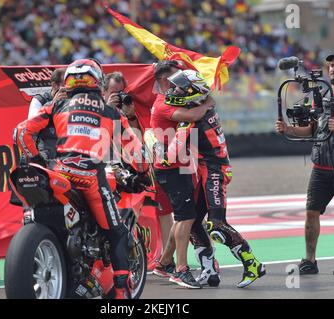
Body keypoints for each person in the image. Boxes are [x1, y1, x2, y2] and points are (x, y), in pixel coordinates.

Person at [14, 58, 149, 299]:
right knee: (116, 231)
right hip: (90, 178)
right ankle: (121, 294)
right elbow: (136, 152)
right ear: (98, 81)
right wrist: (143, 171)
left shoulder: (56, 105)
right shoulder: (111, 112)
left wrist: (38, 162)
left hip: (60, 172)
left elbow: (21, 131)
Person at [165, 69, 266, 288]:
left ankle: (253, 264)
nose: (174, 91)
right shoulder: (201, 108)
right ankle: (209, 271)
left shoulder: (192, 118)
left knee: (216, 225)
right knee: (192, 221)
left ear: (193, 92)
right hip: (206, 170)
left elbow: (171, 156)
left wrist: (151, 155)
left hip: (215, 171)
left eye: (179, 88)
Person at [275, 50, 334, 275]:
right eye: (331, 66)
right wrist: (288, 129)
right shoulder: (323, 98)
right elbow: (313, 130)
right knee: (311, 213)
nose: (333, 69)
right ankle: (310, 260)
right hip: (320, 167)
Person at [150, 60, 219, 288]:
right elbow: (192, 115)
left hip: (176, 166)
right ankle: (180, 269)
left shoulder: (167, 100)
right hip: (172, 168)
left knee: (183, 215)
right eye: (175, 81)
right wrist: (207, 101)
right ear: (163, 81)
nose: (180, 86)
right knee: (186, 218)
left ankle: (165, 262)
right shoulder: (163, 104)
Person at [27, 68, 66, 161]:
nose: (69, 87)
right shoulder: (39, 100)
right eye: (65, 84)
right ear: (54, 85)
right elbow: (31, 125)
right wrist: (53, 103)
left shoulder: (72, 99)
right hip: (45, 147)